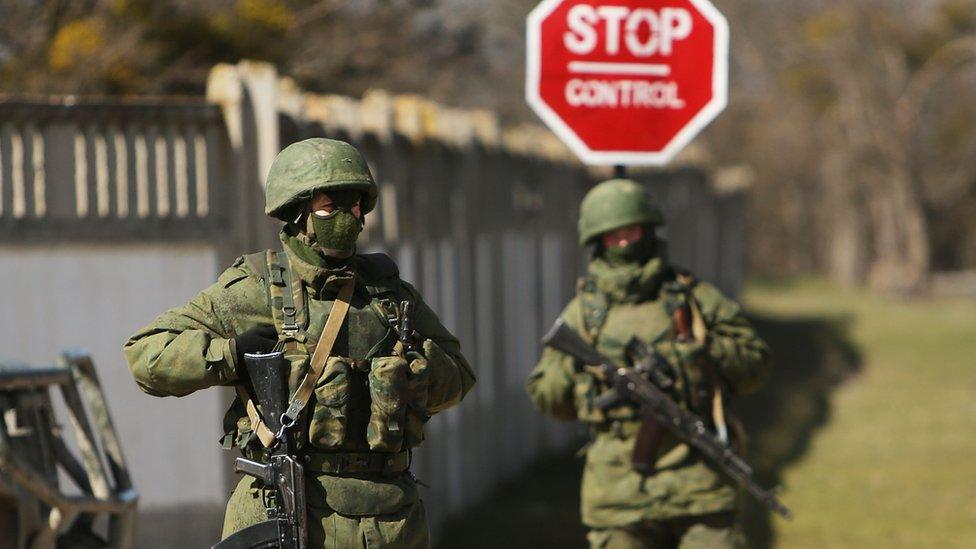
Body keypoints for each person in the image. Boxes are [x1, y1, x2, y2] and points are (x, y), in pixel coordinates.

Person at [124, 137, 475, 548]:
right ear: (296, 214)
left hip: (388, 519)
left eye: (355, 206)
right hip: (288, 504)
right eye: (328, 207)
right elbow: (147, 354)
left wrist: (416, 374)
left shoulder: (389, 295)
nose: (346, 217)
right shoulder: (258, 287)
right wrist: (231, 355)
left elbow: (460, 376)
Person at [526, 178, 770, 549]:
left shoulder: (691, 299)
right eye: (613, 234)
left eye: (631, 230)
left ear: (649, 229)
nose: (625, 241)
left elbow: (755, 363)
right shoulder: (585, 315)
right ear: (597, 240)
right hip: (618, 491)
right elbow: (546, 395)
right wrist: (585, 379)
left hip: (699, 484)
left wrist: (700, 355)